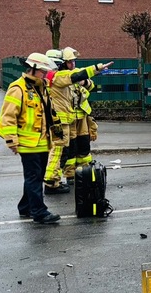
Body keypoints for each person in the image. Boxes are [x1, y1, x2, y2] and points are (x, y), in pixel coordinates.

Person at [0, 53, 61, 224]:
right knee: (34, 178)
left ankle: (25, 207)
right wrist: (11, 140)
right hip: (28, 143)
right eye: (42, 71)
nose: (45, 75)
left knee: (35, 177)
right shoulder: (18, 88)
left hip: (42, 142)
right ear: (32, 69)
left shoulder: (41, 87)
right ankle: (39, 212)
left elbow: (47, 113)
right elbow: (8, 117)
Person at [43, 47, 112, 194]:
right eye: (69, 61)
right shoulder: (58, 76)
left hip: (72, 118)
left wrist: (84, 82)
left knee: (74, 149)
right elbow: (76, 76)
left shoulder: (57, 76)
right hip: (62, 120)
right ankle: (52, 181)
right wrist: (97, 68)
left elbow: (87, 84)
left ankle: (71, 176)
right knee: (62, 152)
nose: (72, 64)